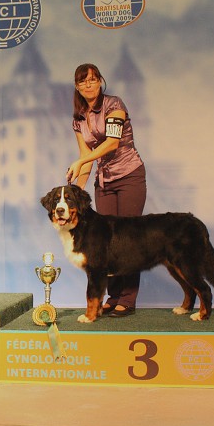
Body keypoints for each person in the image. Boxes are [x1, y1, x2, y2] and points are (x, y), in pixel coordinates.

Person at [65, 63, 147, 317]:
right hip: (104, 182)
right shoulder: (79, 118)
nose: (88, 84)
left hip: (129, 175)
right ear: (77, 86)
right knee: (106, 243)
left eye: (92, 79)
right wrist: (75, 195)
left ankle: (128, 299)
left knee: (129, 239)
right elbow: (86, 155)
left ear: (100, 81)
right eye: (83, 81)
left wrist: (81, 162)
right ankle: (112, 296)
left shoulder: (114, 105)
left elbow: (112, 143)